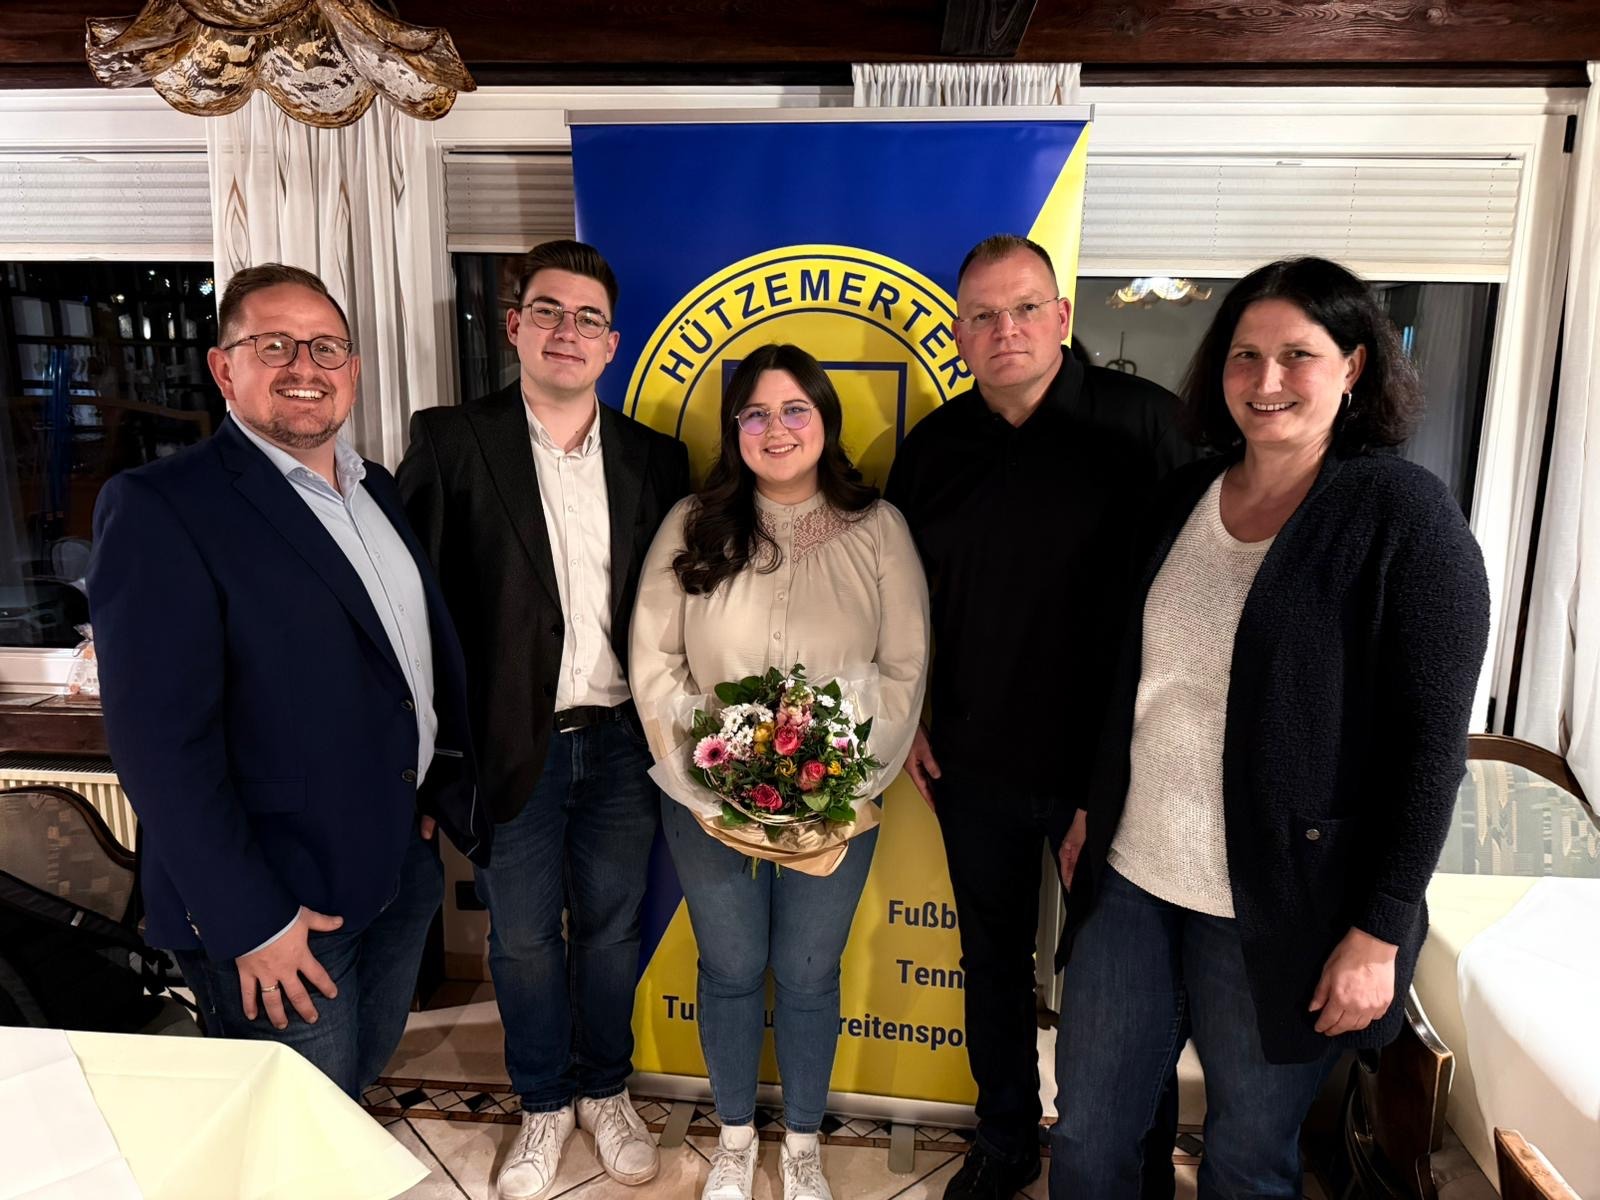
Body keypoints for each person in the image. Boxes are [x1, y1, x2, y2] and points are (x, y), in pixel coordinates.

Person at [1050, 257, 1491, 1198]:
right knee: (1088, 1138)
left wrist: (1378, 932)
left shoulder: (1405, 516)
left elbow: (1429, 754)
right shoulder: (1181, 499)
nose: (1267, 379)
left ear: (1355, 367)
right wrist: (1093, 806)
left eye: (1298, 354)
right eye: (1245, 355)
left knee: (1248, 1161)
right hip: (1132, 880)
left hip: (1284, 907)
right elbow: (1130, 683)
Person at [88, 263, 492, 1099]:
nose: (305, 366)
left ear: (353, 369)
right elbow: (159, 747)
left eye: (325, 347)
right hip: (279, 904)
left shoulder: (376, 489)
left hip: (395, 866)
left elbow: (397, 662)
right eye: (273, 345)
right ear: (223, 367)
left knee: (349, 1095)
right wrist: (250, 921)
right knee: (293, 1128)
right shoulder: (164, 507)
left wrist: (426, 790)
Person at [883, 234, 1195, 1199]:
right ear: (959, 334)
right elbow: (900, 601)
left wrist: (1114, 782)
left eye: (1024, 308)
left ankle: (1137, 1155)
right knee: (992, 964)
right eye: (982, 315)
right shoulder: (932, 448)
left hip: (1114, 768)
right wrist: (911, 715)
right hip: (972, 760)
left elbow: (1190, 605)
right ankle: (1007, 1136)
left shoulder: (1149, 428)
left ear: (1061, 317)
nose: (1004, 330)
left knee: (1123, 981)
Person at [397, 240, 688, 1199]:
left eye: (588, 318)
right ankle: (544, 1102)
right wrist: (433, 764)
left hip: (623, 744)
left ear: (612, 344)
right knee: (522, 940)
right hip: (509, 748)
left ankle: (605, 1089)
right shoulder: (451, 441)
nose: (569, 331)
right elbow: (416, 612)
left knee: (610, 930)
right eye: (549, 311)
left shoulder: (657, 459)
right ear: (515, 325)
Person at [630, 343, 930, 1200]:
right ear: (735, 429)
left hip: (836, 806)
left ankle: (800, 1143)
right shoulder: (695, 522)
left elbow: (904, 667)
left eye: (795, 408)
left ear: (825, 419)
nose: (776, 428)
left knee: (806, 973)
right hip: (706, 798)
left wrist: (837, 778)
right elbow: (654, 658)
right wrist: (707, 774)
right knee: (728, 968)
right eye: (756, 413)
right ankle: (734, 1137)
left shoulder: (879, 528)